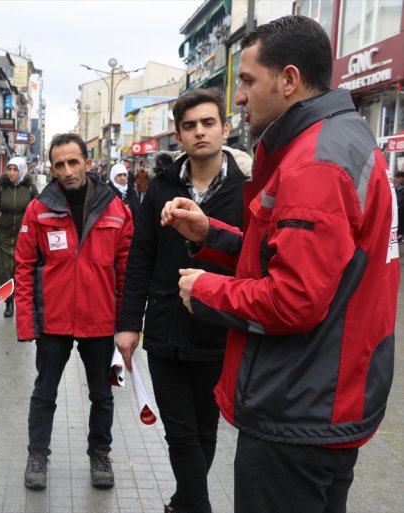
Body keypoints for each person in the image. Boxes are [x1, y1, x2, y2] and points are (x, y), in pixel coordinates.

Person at [161, 16, 398, 513]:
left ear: (288, 80)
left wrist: (204, 290)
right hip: (325, 399)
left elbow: (294, 299)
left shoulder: (314, 163)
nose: (239, 98)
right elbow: (300, 256)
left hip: (298, 411)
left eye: (247, 81)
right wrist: (214, 235)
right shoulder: (345, 140)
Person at [116, 89, 249, 513]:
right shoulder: (160, 187)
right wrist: (128, 324)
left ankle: (185, 502)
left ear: (224, 129)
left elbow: (252, 259)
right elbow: (140, 259)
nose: (200, 132)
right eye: (190, 126)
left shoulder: (247, 192)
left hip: (218, 328)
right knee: (179, 430)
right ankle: (198, 505)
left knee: (205, 428)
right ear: (179, 135)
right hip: (166, 328)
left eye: (208, 123)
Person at [14, 133, 133, 491]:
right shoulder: (39, 208)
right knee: (44, 392)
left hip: (100, 320)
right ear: (51, 167)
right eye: (59, 164)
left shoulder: (116, 208)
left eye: (73, 162)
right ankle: (38, 455)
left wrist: (128, 325)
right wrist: (26, 323)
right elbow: (22, 267)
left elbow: (128, 269)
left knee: (102, 393)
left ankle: (100, 454)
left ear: (87, 162)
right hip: (54, 320)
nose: (67, 170)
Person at [0, 156, 39, 317]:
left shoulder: (29, 188)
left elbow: (39, 210)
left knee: (20, 271)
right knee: (6, 271)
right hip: (4, 237)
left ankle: (22, 301)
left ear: (21, 170)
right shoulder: (1, 188)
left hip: (24, 237)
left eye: (15, 169)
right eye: (9, 169)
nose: (12, 173)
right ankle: (9, 303)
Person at [394, 171, 404, 242]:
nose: (397, 180)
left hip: (400, 208)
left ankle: (400, 234)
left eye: (398, 178)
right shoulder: (397, 186)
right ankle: (399, 235)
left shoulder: (399, 187)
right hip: (399, 208)